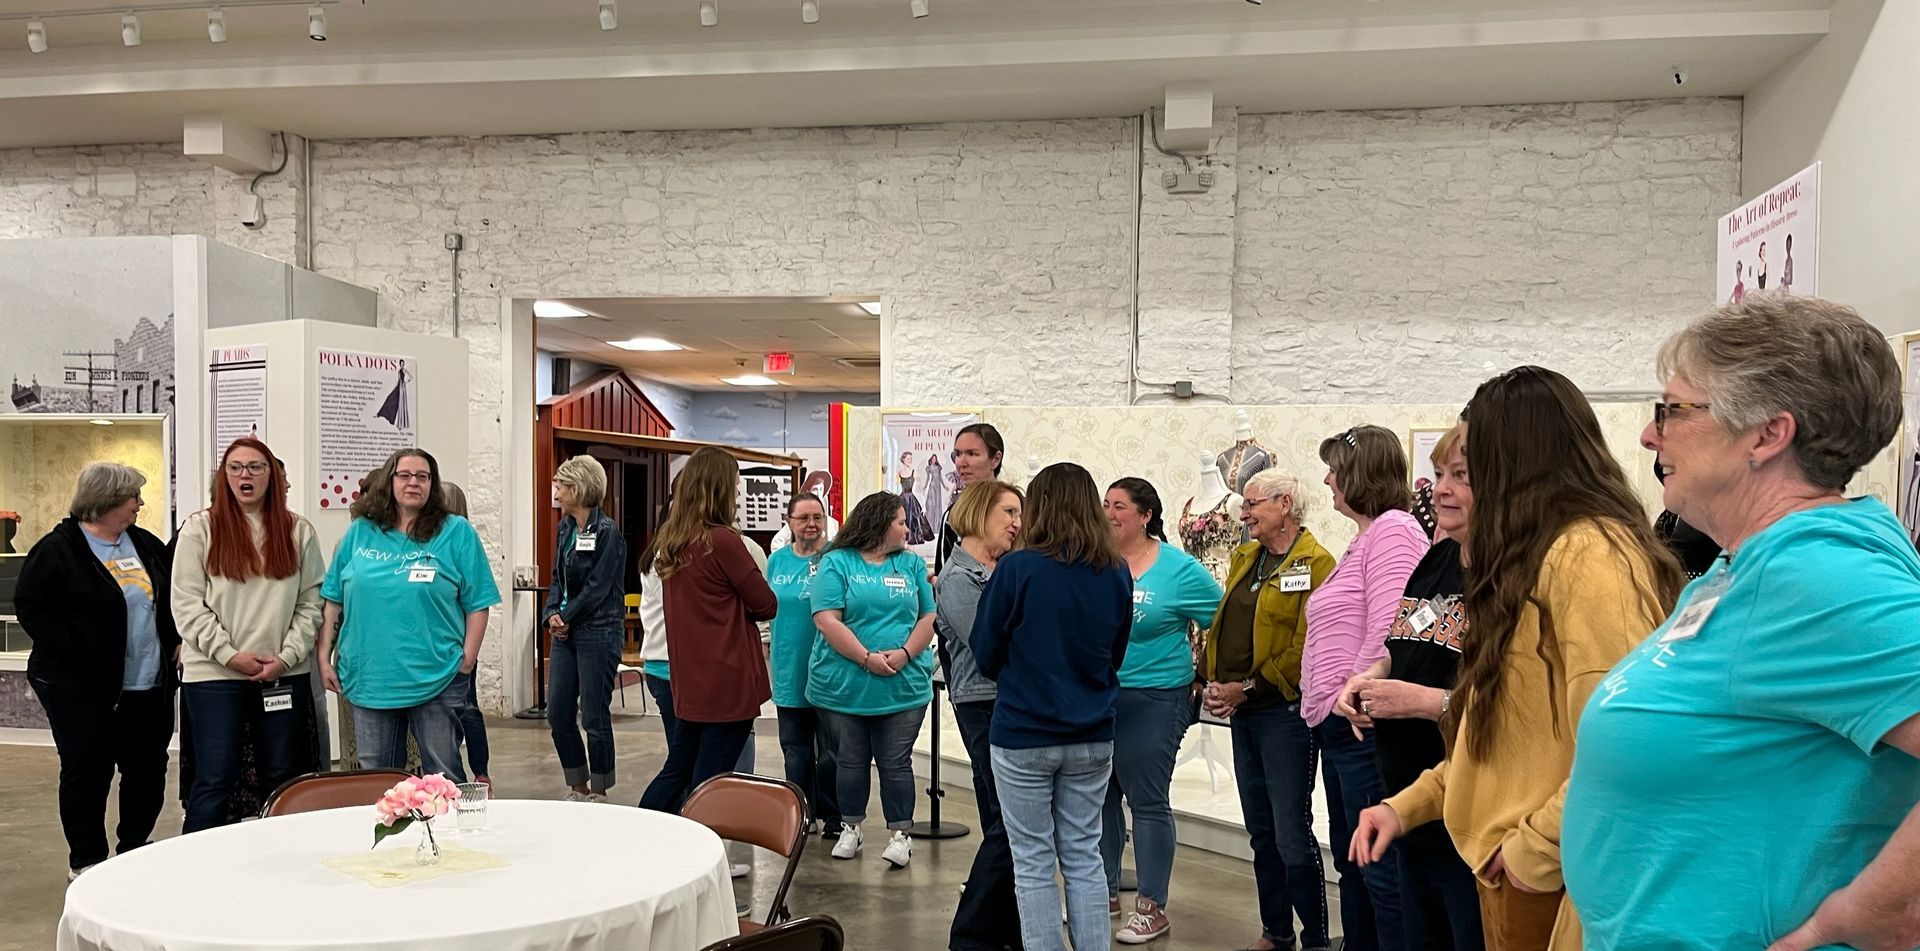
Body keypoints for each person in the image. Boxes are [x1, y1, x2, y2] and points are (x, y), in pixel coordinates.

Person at [1564, 297, 1920, 951]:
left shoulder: (1819, 572)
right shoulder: (1750, 565)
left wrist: (1876, 910)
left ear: (1765, 434)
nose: (1650, 435)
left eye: (1673, 410)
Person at [1352, 367, 1683, 951]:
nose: (1449, 488)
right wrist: (1409, 806)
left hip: (1545, 875)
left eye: (1471, 467)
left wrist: (1533, 851)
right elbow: (1506, 735)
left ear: (1515, 460)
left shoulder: (1585, 557)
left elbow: (1623, 739)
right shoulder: (1535, 561)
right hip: (1517, 864)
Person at [1333, 424, 1484, 951]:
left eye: (1460, 477)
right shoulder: (1438, 559)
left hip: (1466, 806)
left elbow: (1520, 706)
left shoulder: (1507, 574)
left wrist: (1424, 703)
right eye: (1440, 474)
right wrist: (1370, 676)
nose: (1440, 489)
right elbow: (1406, 642)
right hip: (1408, 795)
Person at [972, 462, 1133, 951]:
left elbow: (985, 649)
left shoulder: (1018, 569)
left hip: (1024, 731)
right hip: (1092, 731)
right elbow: (1116, 652)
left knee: (1034, 861)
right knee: (1085, 856)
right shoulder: (1117, 572)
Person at [17, 462, 178, 880]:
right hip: (81, 689)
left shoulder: (143, 543)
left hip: (147, 683)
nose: (140, 504)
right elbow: (32, 611)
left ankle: (134, 847)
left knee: (146, 770)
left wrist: (176, 641)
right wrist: (80, 652)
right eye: (133, 498)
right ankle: (86, 860)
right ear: (107, 501)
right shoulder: (57, 550)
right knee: (87, 771)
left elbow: (170, 597)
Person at [1304, 425, 1428, 951]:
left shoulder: (1393, 530)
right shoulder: (1367, 536)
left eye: (1335, 468)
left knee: (1379, 869)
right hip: (1344, 726)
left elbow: (1391, 625)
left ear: (1360, 473)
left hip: (1363, 726)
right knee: (1356, 864)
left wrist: (1353, 689)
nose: (1329, 480)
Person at [1204, 467, 1335, 951]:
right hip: (1245, 713)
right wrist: (1214, 681)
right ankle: (1276, 931)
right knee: (1260, 831)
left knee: (1291, 835)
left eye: (1252, 504)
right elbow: (1225, 626)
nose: (1244, 513)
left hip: (1284, 715)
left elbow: (1308, 647)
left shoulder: (1317, 564)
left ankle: (1316, 938)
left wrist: (1250, 688)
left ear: (1284, 505)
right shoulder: (1246, 557)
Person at [317, 448, 501, 782]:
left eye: (423, 476)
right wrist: (324, 656)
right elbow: (333, 598)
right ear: (390, 481)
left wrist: (467, 661)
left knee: (442, 778)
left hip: (437, 676)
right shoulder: (361, 532)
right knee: (378, 782)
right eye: (404, 475)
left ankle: (444, 836)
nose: (413, 482)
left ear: (433, 484)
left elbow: (479, 603)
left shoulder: (456, 532)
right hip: (369, 676)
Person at [174, 438, 324, 834]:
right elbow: (187, 606)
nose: (246, 475)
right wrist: (228, 655)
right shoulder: (199, 529)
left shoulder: (298, 531)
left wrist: (287, 656)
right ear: (224, 476)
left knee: (283, 778)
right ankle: (194, 871)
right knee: (215, 777)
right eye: (236, 467)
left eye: (256, 467)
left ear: (272, 475)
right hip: (214, 676)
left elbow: (311, 604)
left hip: (280, 674)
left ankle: (281, 863)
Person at [1099, 477, 1222, 943]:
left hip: (1156, 696)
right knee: (1101, 796)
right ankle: (1104, 891)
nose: (1110, 513)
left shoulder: (1179, 569)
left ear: (1146, 515)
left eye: (1120, 506)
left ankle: (1152, 906)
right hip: (1101, 695)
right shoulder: (1098, 562)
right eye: (1106, 505)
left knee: (1146, 800)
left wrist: (1206, 674)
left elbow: (1222, 621)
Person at [807, 491, 937, 868]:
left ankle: (901, 835)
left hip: (902, 683)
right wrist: (865, 659)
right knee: (850, 759)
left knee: (896, 762)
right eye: (900, 521)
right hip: (846, 684)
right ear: (880, 525)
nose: (907, 527)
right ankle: (851, 827)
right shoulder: (835, 563)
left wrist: (905, 653)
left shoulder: (911, 565)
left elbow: (928, 617)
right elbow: (827, 618)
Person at [644, 447, 777, 805]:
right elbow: (767, 604)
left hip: (691, 681)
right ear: (720, 488)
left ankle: (644, 835)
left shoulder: (673, 541)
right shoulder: (722, 541)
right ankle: (696, 851)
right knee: (709, 782)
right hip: (726, 683)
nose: (738, 492)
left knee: (679, 770)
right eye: (735, 484)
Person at [941, 479, 1026, 951]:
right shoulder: (960, 578)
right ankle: (971, 933)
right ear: (978, 513)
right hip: (982, 703)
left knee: (1006, 821)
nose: (1017, 523)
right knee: (1006, 824)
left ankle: (1002, 932)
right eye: (1008, 513)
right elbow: (989, 644)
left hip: (1004, 701)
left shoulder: (1001, 570)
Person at [543, 456, 627, 802]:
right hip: (567, 633)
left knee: (593, 714)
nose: (557, 492)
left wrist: (567, 615)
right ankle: (576, 784)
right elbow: (557, 578)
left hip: (599, 631)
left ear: (578, 489)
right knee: (558, 712)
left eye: (561, 485)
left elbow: (598, 586)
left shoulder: (607, 532)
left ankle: (600, 788)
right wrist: (551, 612)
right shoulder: (565, 529)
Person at [768, 493, 841, 835]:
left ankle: (834, 816)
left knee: (831, 752)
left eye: (817, 517)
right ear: (790, 522)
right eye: (803, 518)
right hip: (788, 669)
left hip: (829, 670)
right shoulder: (777, 562)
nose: (811, 524)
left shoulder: (837, 560)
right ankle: (802, 812)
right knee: (795, 751)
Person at [439, 481, 491, 786]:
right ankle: (480, 772)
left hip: (458, 646)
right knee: (467, 709)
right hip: (454, 645)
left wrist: (467, 656)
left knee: (465, 707)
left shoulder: (460, 544)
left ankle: (478, 772)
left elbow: (477, 601)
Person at [936, 422, 1007, 572]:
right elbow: (943, 574)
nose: (962, 462)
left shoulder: (1016, 510)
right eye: (958, 454)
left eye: (972, 454)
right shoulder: (952, 514)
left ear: (995, 459)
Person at [898, 451, 936, 546]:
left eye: (911, 459)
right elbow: (895, 486)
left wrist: (923, 505)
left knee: (913, 519)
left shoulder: (914, 472)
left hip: (911, 499)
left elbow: (921, 489)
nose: (910, 461)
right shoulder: (899, 472)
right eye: (908, 459)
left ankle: (912, 538)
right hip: (902, 498)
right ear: (903, 460)